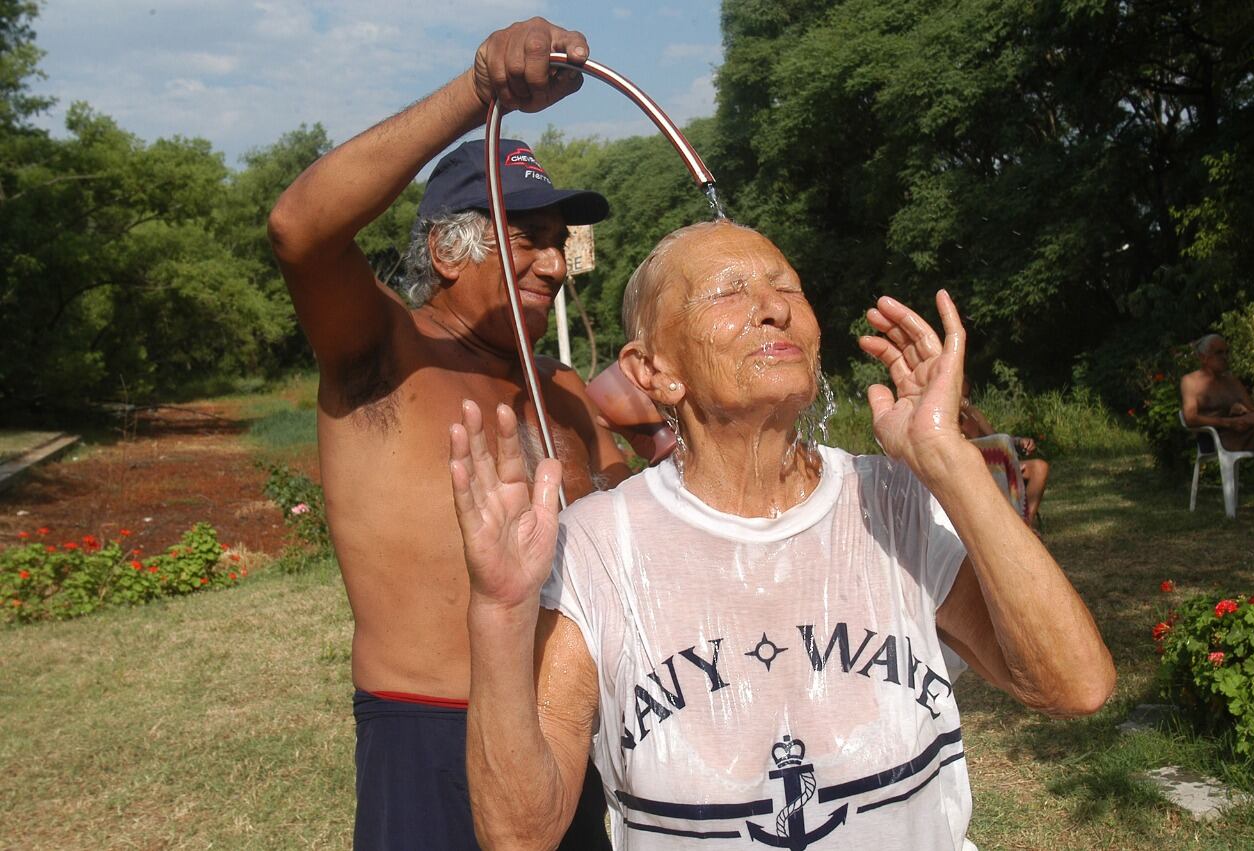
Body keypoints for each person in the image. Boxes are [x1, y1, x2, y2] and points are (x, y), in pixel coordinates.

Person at [451, 221, 1116, 850]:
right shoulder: (600, 548)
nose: (774, 309)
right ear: (654, 370)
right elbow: (520, 834)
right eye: (729, 292)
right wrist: (501, 608)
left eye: (788, 287)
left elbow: (1073, 687)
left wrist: (949, 461)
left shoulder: (892, 505)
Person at [267, 18, 623, 850]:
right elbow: (299, 229)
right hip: (428, 735)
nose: (555, 263)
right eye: (527, 238)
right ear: (449, 249)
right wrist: (477, 92)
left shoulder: (563, 391)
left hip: (567, 734)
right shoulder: (385, 354)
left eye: (561, 243)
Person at [1181, 333, 1254, 512]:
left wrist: (1242, 411)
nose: (1225, 357)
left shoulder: (1231, 381)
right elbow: (1190, 418)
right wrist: (1227, 422)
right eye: (1219, 353)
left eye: (1227, 352)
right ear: (1203, 357)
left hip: (1241, 432)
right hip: (1218, 438)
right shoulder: (1190, 382)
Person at [957, 377, 1051, 527]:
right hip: (975, 470)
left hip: (998, 464)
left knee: (1039, 468)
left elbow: (995, 437)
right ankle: (1015, 526)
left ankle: (1025, 525)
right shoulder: (945, 420)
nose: (964, 399)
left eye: (966, 395)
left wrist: (1019, 441)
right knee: (1004, 458)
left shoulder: (973, 414)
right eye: (960, 394)